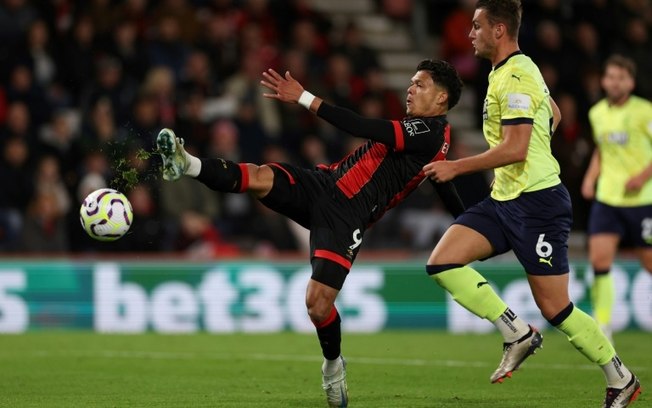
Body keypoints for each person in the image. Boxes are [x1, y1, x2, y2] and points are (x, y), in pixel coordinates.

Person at [156, 59, 465, 407]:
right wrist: (469, 222)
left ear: (441, 99)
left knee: (317, 306)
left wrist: (305, 97)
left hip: (347, 218)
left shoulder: (430, 132)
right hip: (324, 184)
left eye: (419, 85)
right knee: (260, 177)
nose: (410, 89)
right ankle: (187, 163)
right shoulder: (432, 138)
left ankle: (333, 365)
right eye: (410, 82)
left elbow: (363, 125)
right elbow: (443, 182)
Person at [422, 1, 642, 407]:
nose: (469, 33)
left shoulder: (518, 74)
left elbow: (518, 148)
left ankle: (621, 378)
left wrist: (458, 168)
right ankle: (517, 332)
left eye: (477, 26)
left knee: (556, 308)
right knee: (442, 261)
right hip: (505, 199)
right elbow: (553, 114)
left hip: (539, 204)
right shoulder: (509, 72)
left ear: (500, 30)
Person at [581, 54, 652, 342]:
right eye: (610, 76)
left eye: (621, 77)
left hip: (642, 200)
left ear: (631, 82)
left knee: (649, 262)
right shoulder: (597, 112)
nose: (615, 82)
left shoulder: (645, 111)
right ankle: (604, 325)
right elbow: (601, 150)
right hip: (608, 198)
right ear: (603, 81)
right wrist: (590, 177)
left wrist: (643, 177)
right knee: (599, 260)